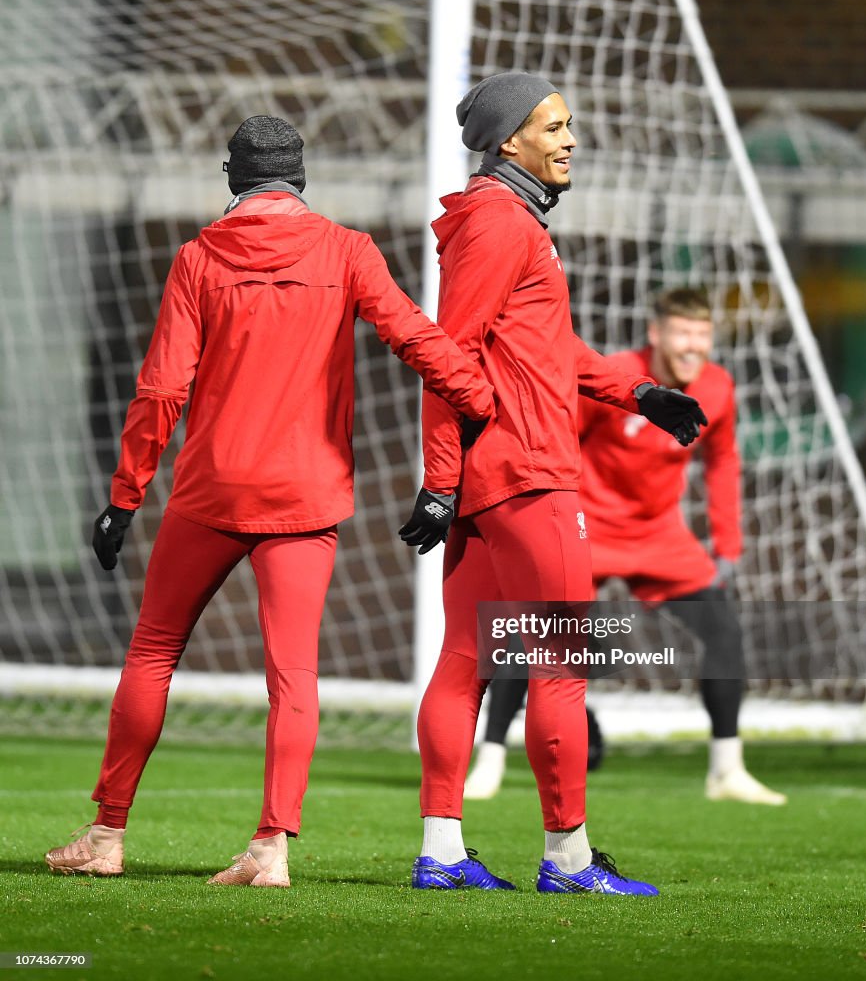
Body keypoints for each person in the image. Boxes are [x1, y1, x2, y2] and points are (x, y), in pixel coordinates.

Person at [44, 115, 496, 886]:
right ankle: (270, 847)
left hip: (210, 489)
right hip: (306, 496)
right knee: (293, 676)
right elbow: (417, 339)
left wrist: (125, 497)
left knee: (153, 653)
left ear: (232, 177)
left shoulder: (197, 258)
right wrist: (477, 397)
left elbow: (161, 387)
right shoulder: (348, 250)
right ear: (301, 177)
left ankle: (108, 834)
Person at [398, 73, 707, 895]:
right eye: (554, 126)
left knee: (463, 661)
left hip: (485, 480)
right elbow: (445, 352)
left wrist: (638, 392)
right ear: (509, 141)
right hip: (528, 476)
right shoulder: (502, 226)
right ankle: (568, 861)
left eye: (568, 125)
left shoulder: (497, 221)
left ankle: (441, 851)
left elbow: (545, 350)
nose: (570, 139)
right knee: (561, 665)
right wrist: (435, 479)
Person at [463, 288, 786, 807]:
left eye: (702, 335)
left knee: (724, 629)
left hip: (660, 533)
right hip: (589, 524)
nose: (693, 345)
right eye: (683, 333)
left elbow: (723, 462)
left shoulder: (719, 388)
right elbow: (561, 434)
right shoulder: (619, 376)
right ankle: (491, 759)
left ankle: (727, 769)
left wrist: (728, 542)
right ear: (657, 333)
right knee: (537, 632)